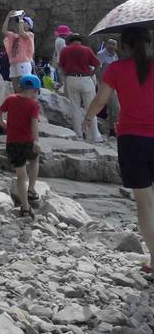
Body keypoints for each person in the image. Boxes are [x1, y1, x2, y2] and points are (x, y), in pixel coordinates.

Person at [83, 27, 154, 275]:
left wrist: (88, 118)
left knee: (144, 203)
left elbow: (101, 100)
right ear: (148, 43)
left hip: (132, 139)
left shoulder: (116, 69)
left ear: (124, 46)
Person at [0, 73, 42, 217]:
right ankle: (31, 189)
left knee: (21, 176)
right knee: (35, 159)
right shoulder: (34, 105)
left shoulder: (11, 99)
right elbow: (34, 124)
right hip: (28, 142)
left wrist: (1, 122)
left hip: (12, 143)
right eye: (37, 92)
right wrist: (36, 141)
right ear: (34, 90)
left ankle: (25, 207)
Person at [58, 33, 103, 142]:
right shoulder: (86, 50)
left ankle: (78, 135)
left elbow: (60, 66)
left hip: (71, 79)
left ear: (70, 41)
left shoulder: (65, 50)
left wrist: (65, 74)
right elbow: (98, 64)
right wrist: (91, 73)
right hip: (85, 78)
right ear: (80, 41)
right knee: (91, 107)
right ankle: (95, 136)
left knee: (75, 108)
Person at [2, 10, 35, 93]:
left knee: (25, 87)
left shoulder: (30, 35)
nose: (21, 23)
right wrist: (8, 17)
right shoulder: (14, 36)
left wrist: (20, 19)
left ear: (29, 26)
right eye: (21, 21)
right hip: (13, 64)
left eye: (24, 21)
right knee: (15, 89)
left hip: (23, 63)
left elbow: (22, 32)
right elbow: (4, 31)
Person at [97, 38, 120, 136]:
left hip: (114, 85)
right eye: (109, 43)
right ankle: (117, 129)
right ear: (106, 44)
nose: (111, 46)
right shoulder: (101, 54)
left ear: (116, 46)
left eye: (113, 44)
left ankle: (112, 130)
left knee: (111, 108)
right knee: (116, 107)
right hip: (106, 85)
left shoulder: (115, 56)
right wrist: (101, 83)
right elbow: (97, 69)